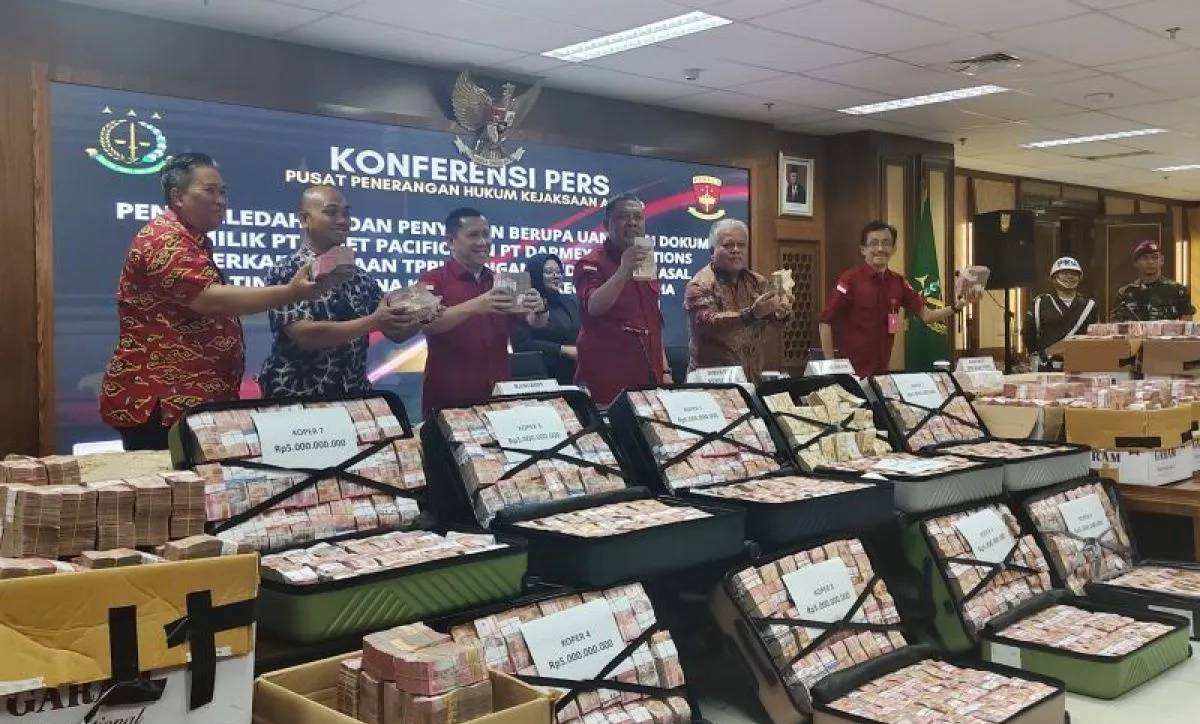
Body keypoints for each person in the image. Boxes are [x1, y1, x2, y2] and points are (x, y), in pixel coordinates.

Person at [99, 153, 328, 450]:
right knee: (170, 481)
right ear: (178, 197)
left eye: (223, 192)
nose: (220, 201)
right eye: (209, 191)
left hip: (194, 399)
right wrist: (290, 292)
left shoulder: (191, 240)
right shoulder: (164, 239)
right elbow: (208, 299)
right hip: (162, 401)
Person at [259, 186, 431, 398]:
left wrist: (421, 316)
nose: (342, 220)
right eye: (331, 212)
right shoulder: (287, 271)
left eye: (346, 214)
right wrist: (373, 321)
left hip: (355, 394)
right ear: (305, 219)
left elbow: (394, 333)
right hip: (298, 396)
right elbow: (304, 335)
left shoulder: (360, 277)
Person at [419, 207, 548, 416]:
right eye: (473, 235)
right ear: (450, 241)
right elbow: (426, 324)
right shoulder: (432, 279)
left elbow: (535, 322)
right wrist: (477, 305)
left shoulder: (503, 280)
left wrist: (539, 308)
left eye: (486, 235)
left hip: (499, 394)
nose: (483, 242)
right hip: (450, 397)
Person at [818, 220, 972, 377]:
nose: (880, 248)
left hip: (882, 374)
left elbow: (928, 316)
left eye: (886, 243)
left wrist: (957, 306)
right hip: (851, 375)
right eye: (874, 243)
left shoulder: (898, 282)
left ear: (893, 249)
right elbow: (825, 322)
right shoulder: (850, 280)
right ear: (863, 249)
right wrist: (832, 368)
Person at [574, 194, 671, 405]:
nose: (632, 223)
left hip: (649, 380)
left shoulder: (646, 263)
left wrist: (665, 371)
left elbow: (651, 323)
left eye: (638, 217)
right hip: (608, 382)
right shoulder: (591, 263)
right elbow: (594, 306)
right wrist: (624, 270)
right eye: (623, 217)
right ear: (606, 225)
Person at [684, 218, 792, 381]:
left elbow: (775, 322)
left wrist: (781, 313)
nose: (736, 250)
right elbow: (710, 323)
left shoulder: (758, 282)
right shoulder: (699, 284)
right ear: (712, 251)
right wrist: (751, 314)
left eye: (741, 245)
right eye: (728, 245)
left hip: (751, 380)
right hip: (711, 382)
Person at [510, 253, 580, 385]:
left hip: (574, 375)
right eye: (548, 272)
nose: (555, 275)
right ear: (535, 274)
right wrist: (563, 350)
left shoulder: (570, 301)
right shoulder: (525, 302)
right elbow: (523, 344)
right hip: (539, 377)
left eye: (558, 272)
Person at [1022, 257, 1099, 372]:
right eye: (1065, 273)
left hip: (1081, 367)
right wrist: (1037, 357)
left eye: (1074, 273)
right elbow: (1028, 334)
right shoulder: (1039, 303)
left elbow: (1095, 337)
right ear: (1053, 278)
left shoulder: (1090, 305)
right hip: (1047, 367)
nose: (1069, 277)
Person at [1112, 240, 1195, 321]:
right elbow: (1115, 325)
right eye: (1145, 258)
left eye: (1155, 257)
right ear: (1136, 263)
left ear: (1162, 260)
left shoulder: (1178, 291)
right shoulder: (1125, 293)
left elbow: (1187, 324)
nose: (1150, 262)